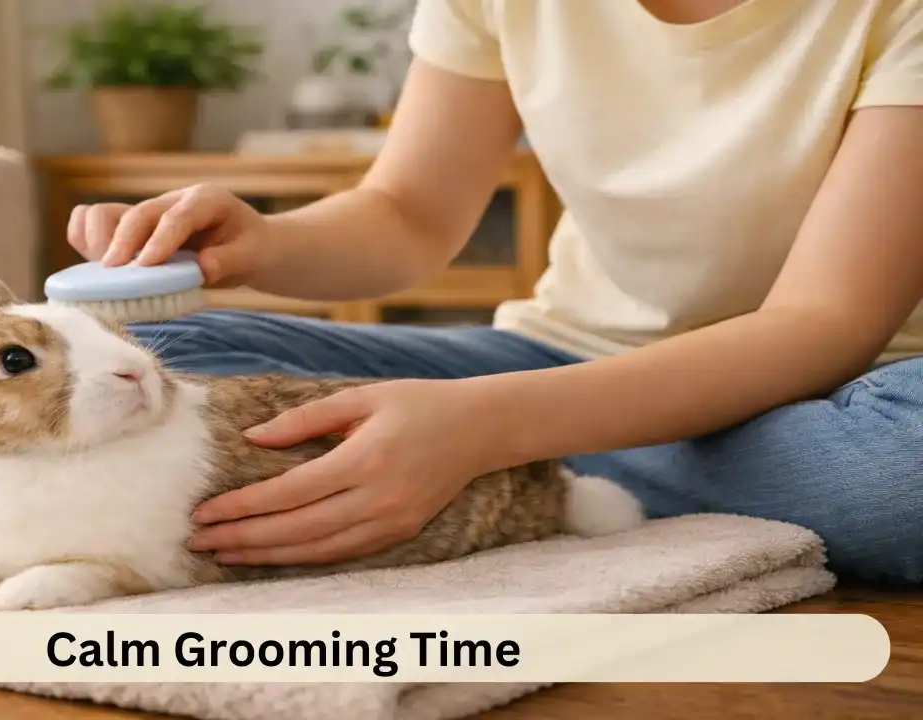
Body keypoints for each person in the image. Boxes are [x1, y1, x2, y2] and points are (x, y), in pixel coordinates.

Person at [66, 0, 923, 585]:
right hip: (559, 355)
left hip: (845, 390)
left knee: (903, 476)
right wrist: (262, 242)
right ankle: (501, 468)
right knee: (172, 361)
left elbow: (824, 322)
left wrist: (485, 427)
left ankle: (510, 469)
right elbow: (408, 214)